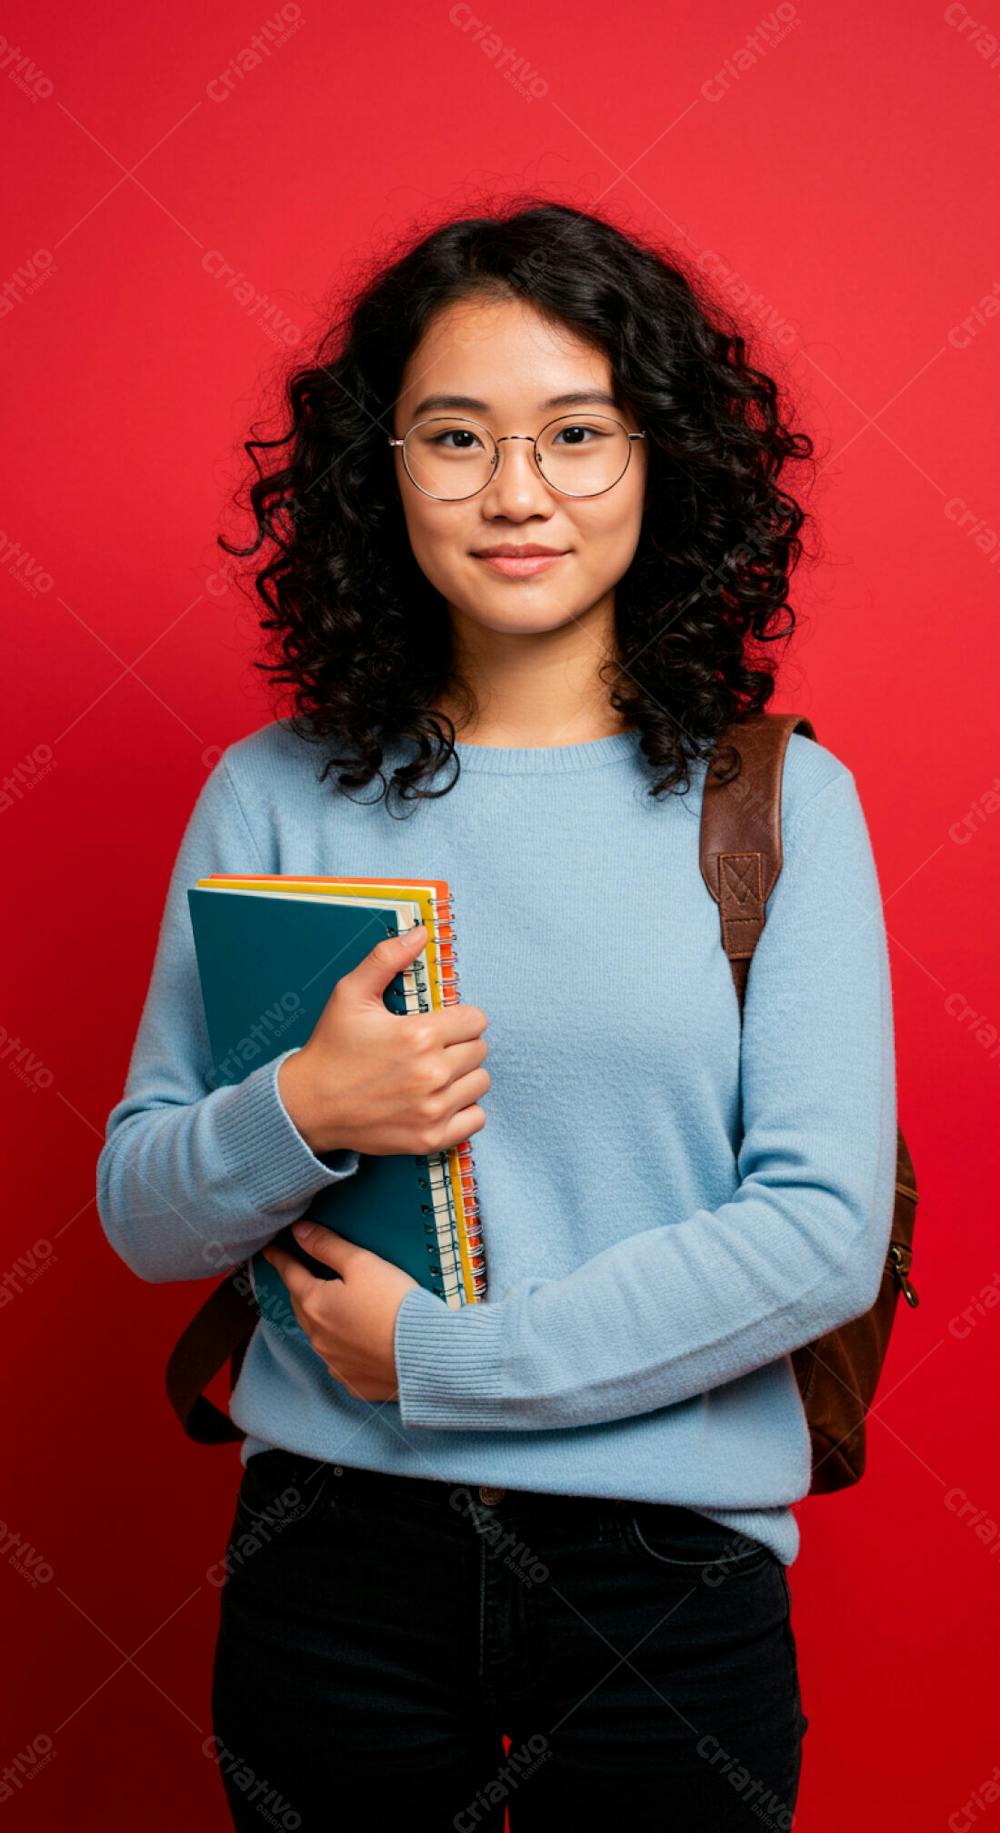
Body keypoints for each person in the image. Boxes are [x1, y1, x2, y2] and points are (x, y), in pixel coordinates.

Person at [96, 199, 896, 1830]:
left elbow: (818, 1229)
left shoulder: (780, 803)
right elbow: (141, 1211)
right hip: (335, 1564)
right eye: (456, 435)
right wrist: (307, 1111)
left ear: (660, 459)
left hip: (667, 1582)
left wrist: (448, 1358)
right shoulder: (271, 793)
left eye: (577, 434)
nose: (517, 490)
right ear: (378, 469)